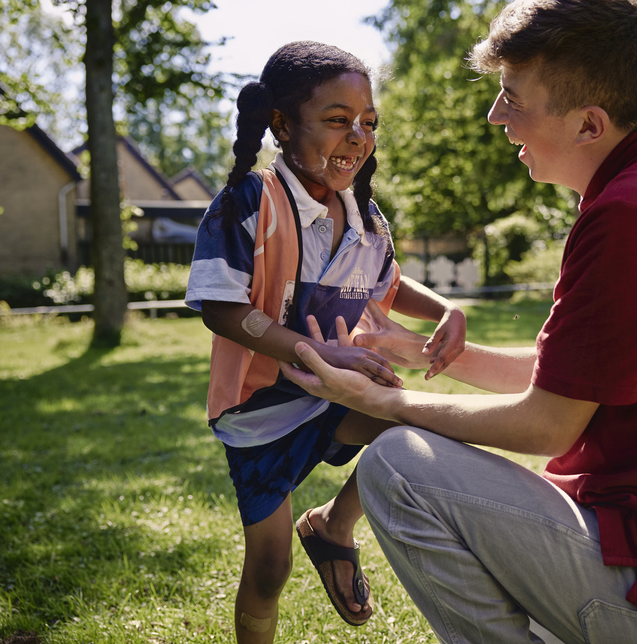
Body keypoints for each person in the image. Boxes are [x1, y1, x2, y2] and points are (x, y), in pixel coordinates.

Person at [278, 0, 637, 644]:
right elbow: (579, 374)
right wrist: (436, 354)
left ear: (589, 123)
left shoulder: (631, 214)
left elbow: (549, 423)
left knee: (397, 466)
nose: (496, 117)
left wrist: (382, 402)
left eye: (513, 98)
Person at [185, 40, 466, 644]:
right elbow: (220, 307)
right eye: (338, 121)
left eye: (368, 123)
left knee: (416, 428)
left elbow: (390, 281)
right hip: (259, 416)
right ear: (281, 125)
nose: (358, 137)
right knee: (269, 570)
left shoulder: (366, 216)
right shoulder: (248, 203)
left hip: (334, 395)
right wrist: (314, 353)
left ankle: (335, 528)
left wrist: (447, 308)